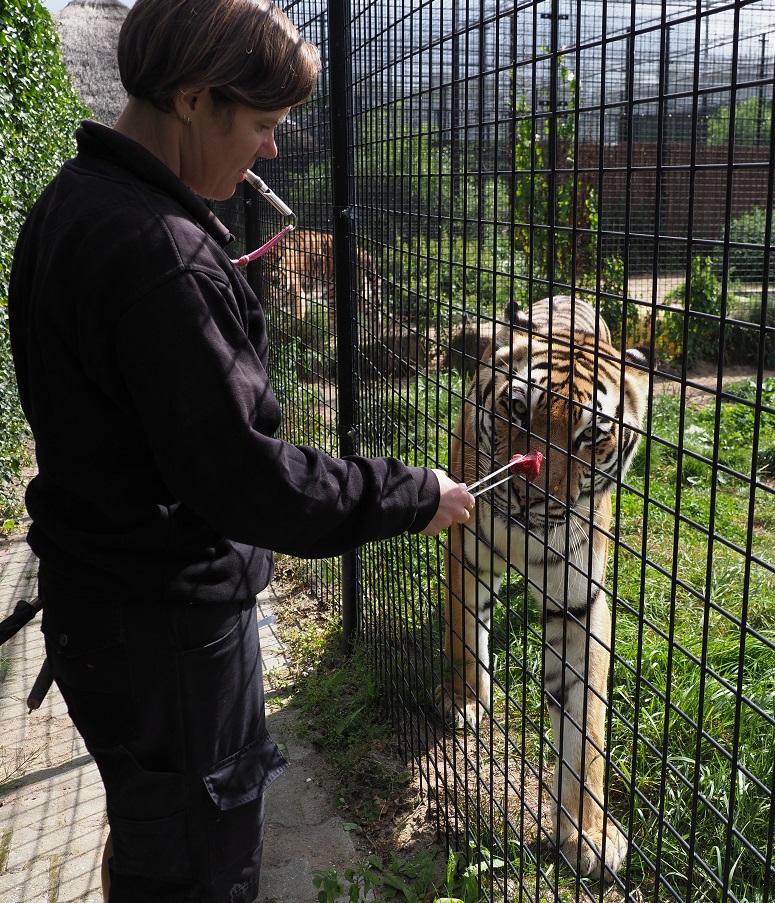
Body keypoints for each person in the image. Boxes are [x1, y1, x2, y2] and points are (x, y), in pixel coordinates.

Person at [7, 1, 475, 900]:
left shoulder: (68, 204)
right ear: (190, 99)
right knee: (201, 869)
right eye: (261, 124)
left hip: (100, 601)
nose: (270, 150)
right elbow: (249, 480)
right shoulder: (160, 255)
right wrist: (413, 493)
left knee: (153, 834)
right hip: (166, 629)